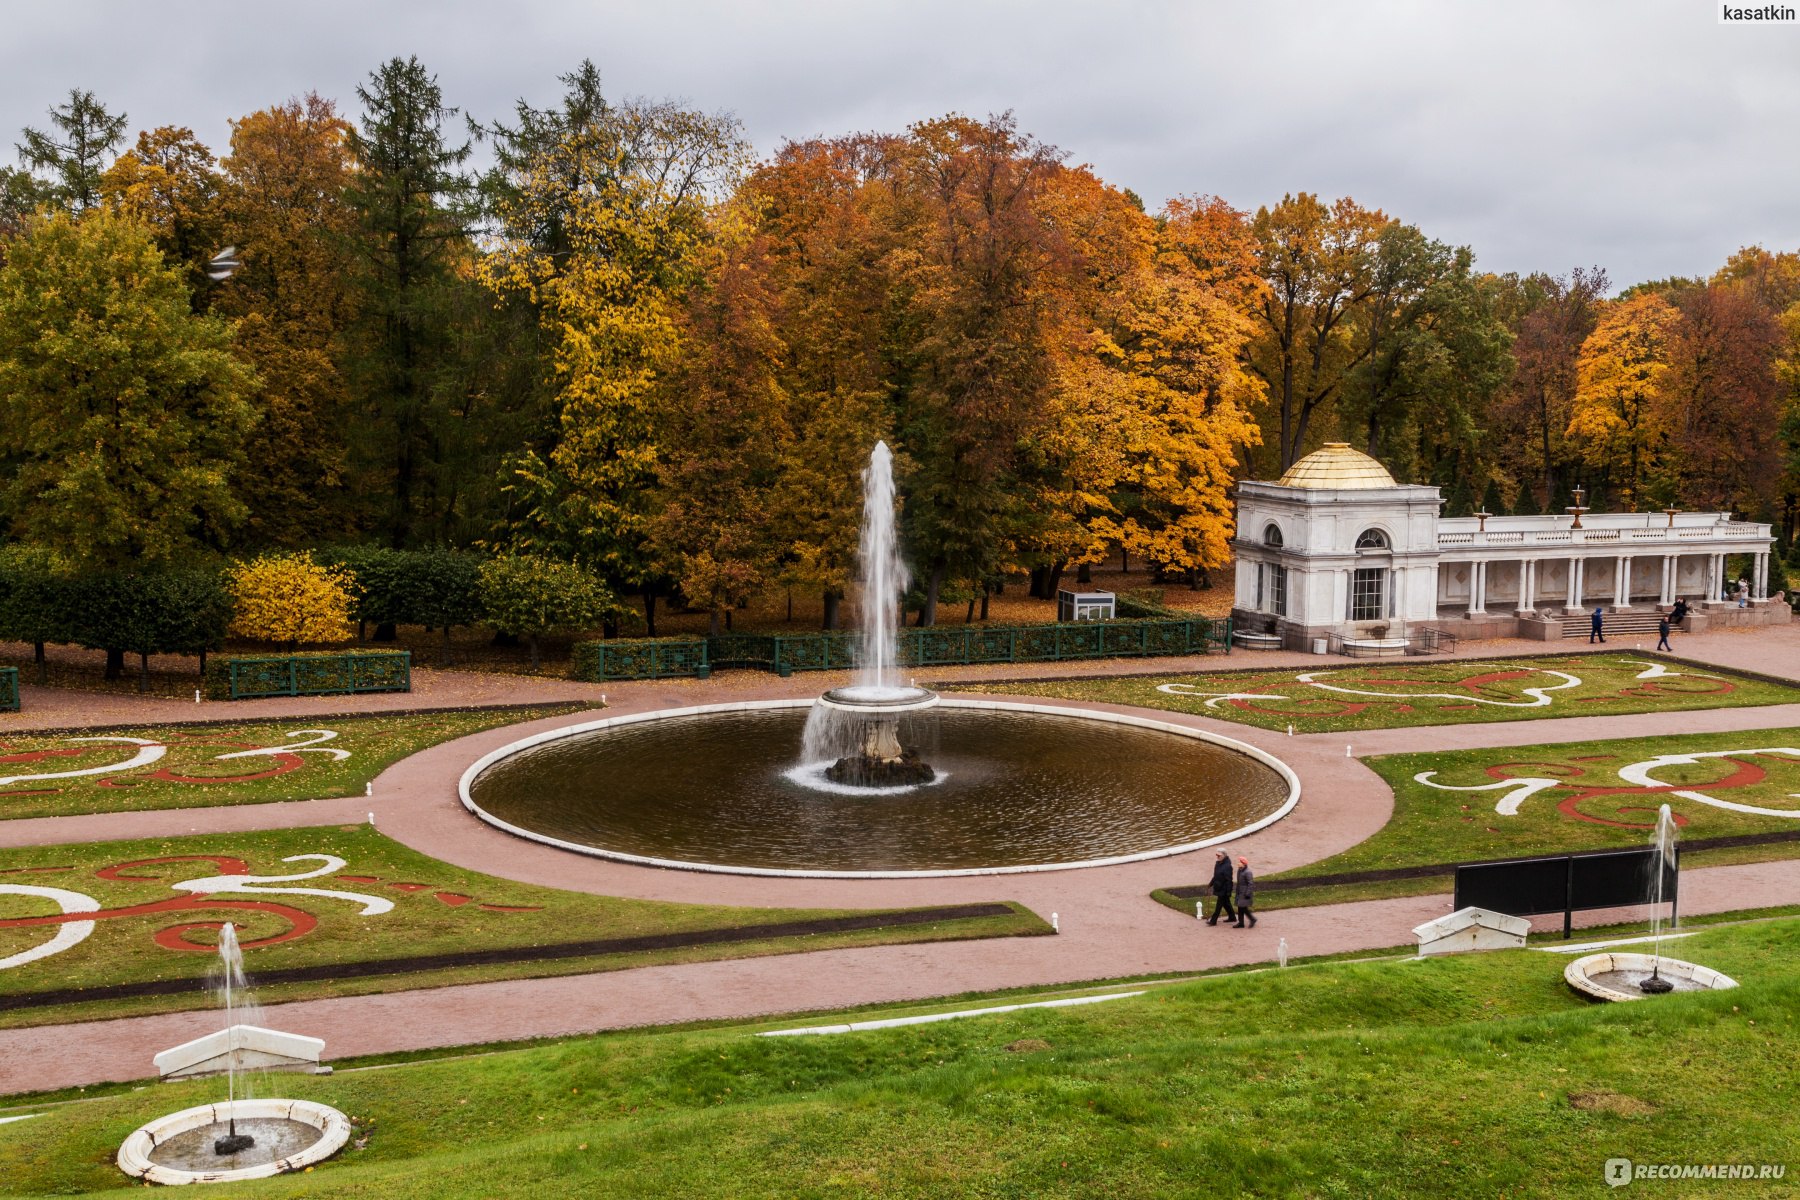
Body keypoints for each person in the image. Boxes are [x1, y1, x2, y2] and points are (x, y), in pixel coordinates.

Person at [1205, 850, 1236, 925]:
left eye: (1219, 855)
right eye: (1217, 855)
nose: (1217, 857)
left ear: (1224, 855)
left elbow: (1229, 880)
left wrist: (1229, 891)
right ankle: (1232, 917)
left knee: (1219, 905)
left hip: (1224, 889)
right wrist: (1211, 883)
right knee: (1226, 903)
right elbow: (1215, 876)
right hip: (1218, 886)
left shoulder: (1228, 866)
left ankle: (1213, 921)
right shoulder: (1217, 863)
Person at [1233, 856, 1257, 928]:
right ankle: (1241, 923)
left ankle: (1252, 919)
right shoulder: (1239, 870)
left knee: (1243, 908)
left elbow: (1250, 884)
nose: (1238, 863)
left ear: (1244, 864)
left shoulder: (1248, 872)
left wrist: (1247, 893)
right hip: (1240, 892)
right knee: (1240, 908)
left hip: (1245, 893)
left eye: (1240, 862)